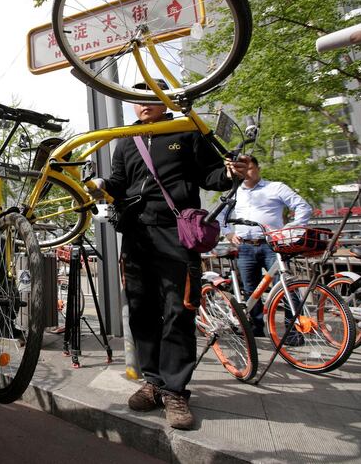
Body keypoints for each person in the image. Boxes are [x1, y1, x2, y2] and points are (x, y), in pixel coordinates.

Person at [98, 79, 248, 430]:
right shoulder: (125, 140)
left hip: (176, 233)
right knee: (141, 310)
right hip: (136, 235)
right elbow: (119, 182)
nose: (144, 104)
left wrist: (230, 173)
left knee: (179, 310)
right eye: (137, 100)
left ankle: (175, 390)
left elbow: (211, 174)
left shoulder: (187, 130)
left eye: (151, 98)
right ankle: (152, 382)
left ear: (164, 101)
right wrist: (102, 185)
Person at [221, 156, 312, 339]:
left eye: (249, 168)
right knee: (250, 290)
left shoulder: (275, 187)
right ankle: (255, 329)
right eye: (240, 169)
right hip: (245, 247)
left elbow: (303, 207)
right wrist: (228, 233)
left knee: (286, 287)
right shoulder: (234, 192)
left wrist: (289, 229)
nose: (245, 173)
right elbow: (219, 216)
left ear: (258, 168)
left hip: (273, 245)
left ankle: (293, 331)